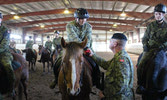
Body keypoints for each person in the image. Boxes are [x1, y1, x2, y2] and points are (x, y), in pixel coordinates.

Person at [50, 8, 101, 89]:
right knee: (58, 61)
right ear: (76, 18)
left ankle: (97, 81)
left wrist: (85, 47)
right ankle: (56, 79)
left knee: (94, 63)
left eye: (85, 19)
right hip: (71, 48)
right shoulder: (69, 25)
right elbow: (74, 38)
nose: (83, 21)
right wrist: (82, 46)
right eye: (81, 19)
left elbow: (88, 38)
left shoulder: (88, 26)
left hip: (85, 47)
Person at [90, 33, 134, 100]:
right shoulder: (119, 57)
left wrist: (105, 94)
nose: (109, 43)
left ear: (115, 44)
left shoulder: (121, 59)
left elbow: (121, 85)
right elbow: (106, 65)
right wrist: (92, 55)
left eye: (110, 41)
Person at [136, 3, 167, 93]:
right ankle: (140, 84)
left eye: (160, 14)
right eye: (156, 14)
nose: (158, 16)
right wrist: (145, 45)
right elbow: (145, 38)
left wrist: (163, 47)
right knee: (141, 64)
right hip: (150, 49)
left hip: (163, 50)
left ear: (163, 14)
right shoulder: (150, 25)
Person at [0, 12, 15, 94]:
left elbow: (4, 44)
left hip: (4, 53)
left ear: (1, 19)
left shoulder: (5, 30)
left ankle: (11, 87)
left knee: (7, 65)